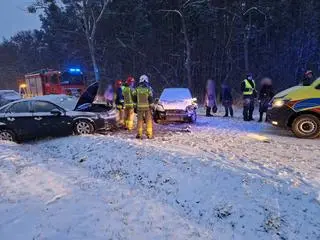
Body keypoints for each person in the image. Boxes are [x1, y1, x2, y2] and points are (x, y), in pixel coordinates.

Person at [132, 75, 153, 139]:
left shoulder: (137, 89)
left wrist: (135, 106)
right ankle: (149, 134)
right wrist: (151, 106)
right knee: (148, 121)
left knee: (139, 121)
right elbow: (150, 98)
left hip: (139, 108)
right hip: (147, 108)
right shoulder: (148, 89)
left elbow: (134, 97)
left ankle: (139, 134)